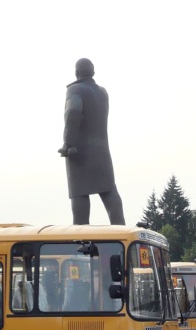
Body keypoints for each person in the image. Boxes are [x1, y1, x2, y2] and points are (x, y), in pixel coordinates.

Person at [59, 58, 125, 225]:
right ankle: (120, 231)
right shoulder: (102, 92)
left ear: (76, 73)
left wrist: (67, 143)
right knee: (109, 190)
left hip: (80, 151)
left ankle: (81, 238)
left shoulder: (75, 90)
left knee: (79, 194)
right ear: (93, 73)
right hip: (102, 150)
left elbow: (73, 112)